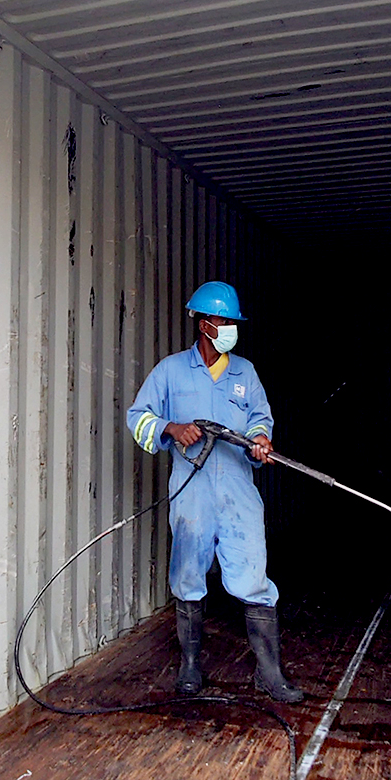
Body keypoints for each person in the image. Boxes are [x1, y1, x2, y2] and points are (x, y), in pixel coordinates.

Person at [125, 281, 304, 704]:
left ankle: (269, 673)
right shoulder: (170, 371)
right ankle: (190, 666)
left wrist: (261, 440)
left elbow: (261, 419)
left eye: (232, 322)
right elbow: (138, 416)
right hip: (192, 494)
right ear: (203, 324)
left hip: (239, 493)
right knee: (188, 576)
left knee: (254, 576)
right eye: (222, 322)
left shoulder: (245, 373)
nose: (228, 329)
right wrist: (171, 428)